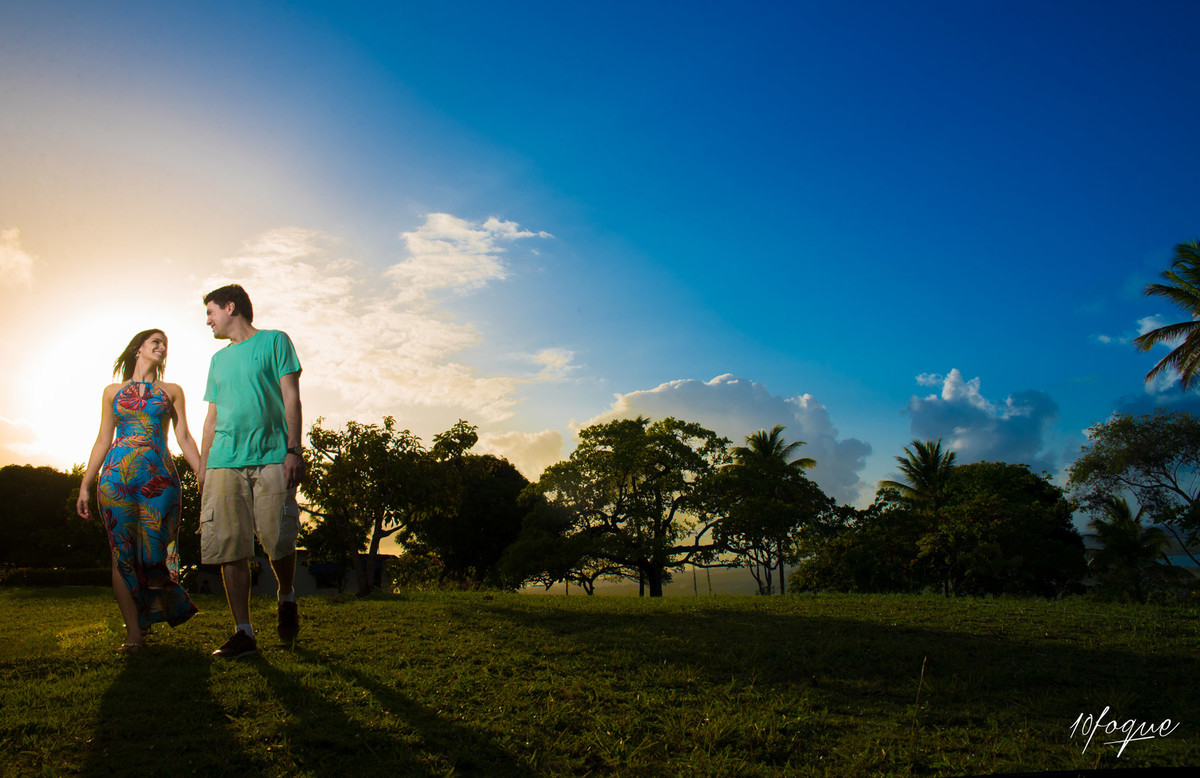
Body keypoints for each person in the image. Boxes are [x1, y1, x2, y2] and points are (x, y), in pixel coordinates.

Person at [78, 329, 200, 654]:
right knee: (121, 554)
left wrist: (202, 471)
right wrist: (85, 484)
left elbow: (184, 436)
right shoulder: (112, 392)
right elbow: (103, 439)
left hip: (159, 479)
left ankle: (160, 609)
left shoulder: (171, 391)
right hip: (115, 479)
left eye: (165, 345)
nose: (161, 347)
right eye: (155, 342)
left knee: (153, 555)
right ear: (139, 349)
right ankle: (134, 634)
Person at [199, 284, 304, 659]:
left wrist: (294, 449)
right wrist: (203, 464)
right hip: (224, 461)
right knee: (230, 544)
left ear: (231, 307)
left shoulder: (276, 341)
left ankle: (286, 594)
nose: (207, 320)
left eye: (210, 312)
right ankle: (243, 631)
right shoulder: (217, 360)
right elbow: (211, 417)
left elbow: (291, 396)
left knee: (278, 538)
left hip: (273, 456)